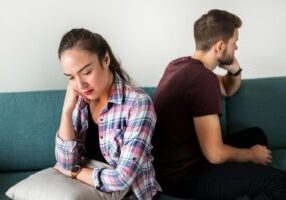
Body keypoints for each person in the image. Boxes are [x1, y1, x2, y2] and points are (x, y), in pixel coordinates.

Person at [152, 9, 286, 199]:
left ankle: (244, 182)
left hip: (181, 162)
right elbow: (215, 154)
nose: (237, 48)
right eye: (235, 42)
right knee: (280, 183)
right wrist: (252, 155)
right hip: (183, 177)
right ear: (220, 46)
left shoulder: (180, 65)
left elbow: (227, 88)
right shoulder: (202, 79)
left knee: (256, 135)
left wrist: (235, 69)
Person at [54, 28, 161, 200]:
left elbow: (122, 179)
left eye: (86, 72)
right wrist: (66, 112)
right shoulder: (79, 101)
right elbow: (66, 161)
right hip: (90, 192)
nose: (81, 84)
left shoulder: (138, 103)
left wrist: (75, 171)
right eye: (71, 77)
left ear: (105, 59)